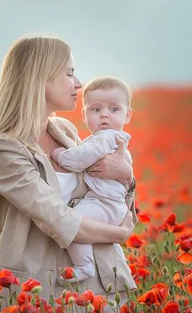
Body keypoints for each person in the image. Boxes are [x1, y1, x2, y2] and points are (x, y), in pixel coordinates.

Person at [0, 34, 137, 313]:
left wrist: (128, 178)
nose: (78, 83)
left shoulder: (64, 130)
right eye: (69, 73)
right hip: (41, 287)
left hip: (95, 277)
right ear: (41, 78)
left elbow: (104, 191)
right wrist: (121, 233)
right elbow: (60, 220)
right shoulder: (2, 151)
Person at [50, 76, 134, 285]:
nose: (104, 114)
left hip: (105, 204)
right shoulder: (110, 138)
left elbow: (81, 159)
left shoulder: (106, 138)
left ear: (128, 115)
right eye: (96, 110)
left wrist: (60, 155)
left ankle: (84, 267)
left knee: (73, 222)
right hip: (106, 203)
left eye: (114, 109)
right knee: (75, 221)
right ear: (85, 114)